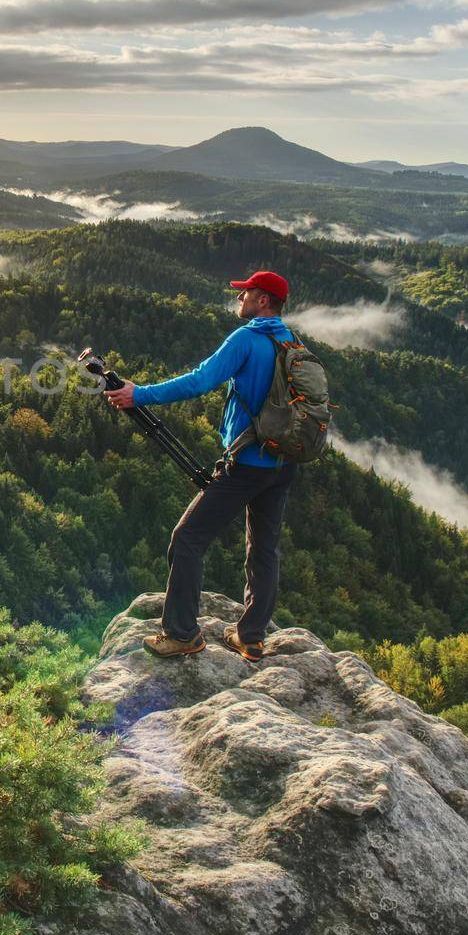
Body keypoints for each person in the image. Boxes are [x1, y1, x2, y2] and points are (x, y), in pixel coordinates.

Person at [102, 270, 299, 662]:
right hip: (283, 462)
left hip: (246, 463)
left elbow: (199, 380)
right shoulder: (290, 340)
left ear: (263, 300)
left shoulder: (248, 338)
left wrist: (138, 394)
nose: (239, 298)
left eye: (245, 293)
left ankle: (181, 634)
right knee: (264, 549)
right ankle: (251, 636)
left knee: (187, 539)